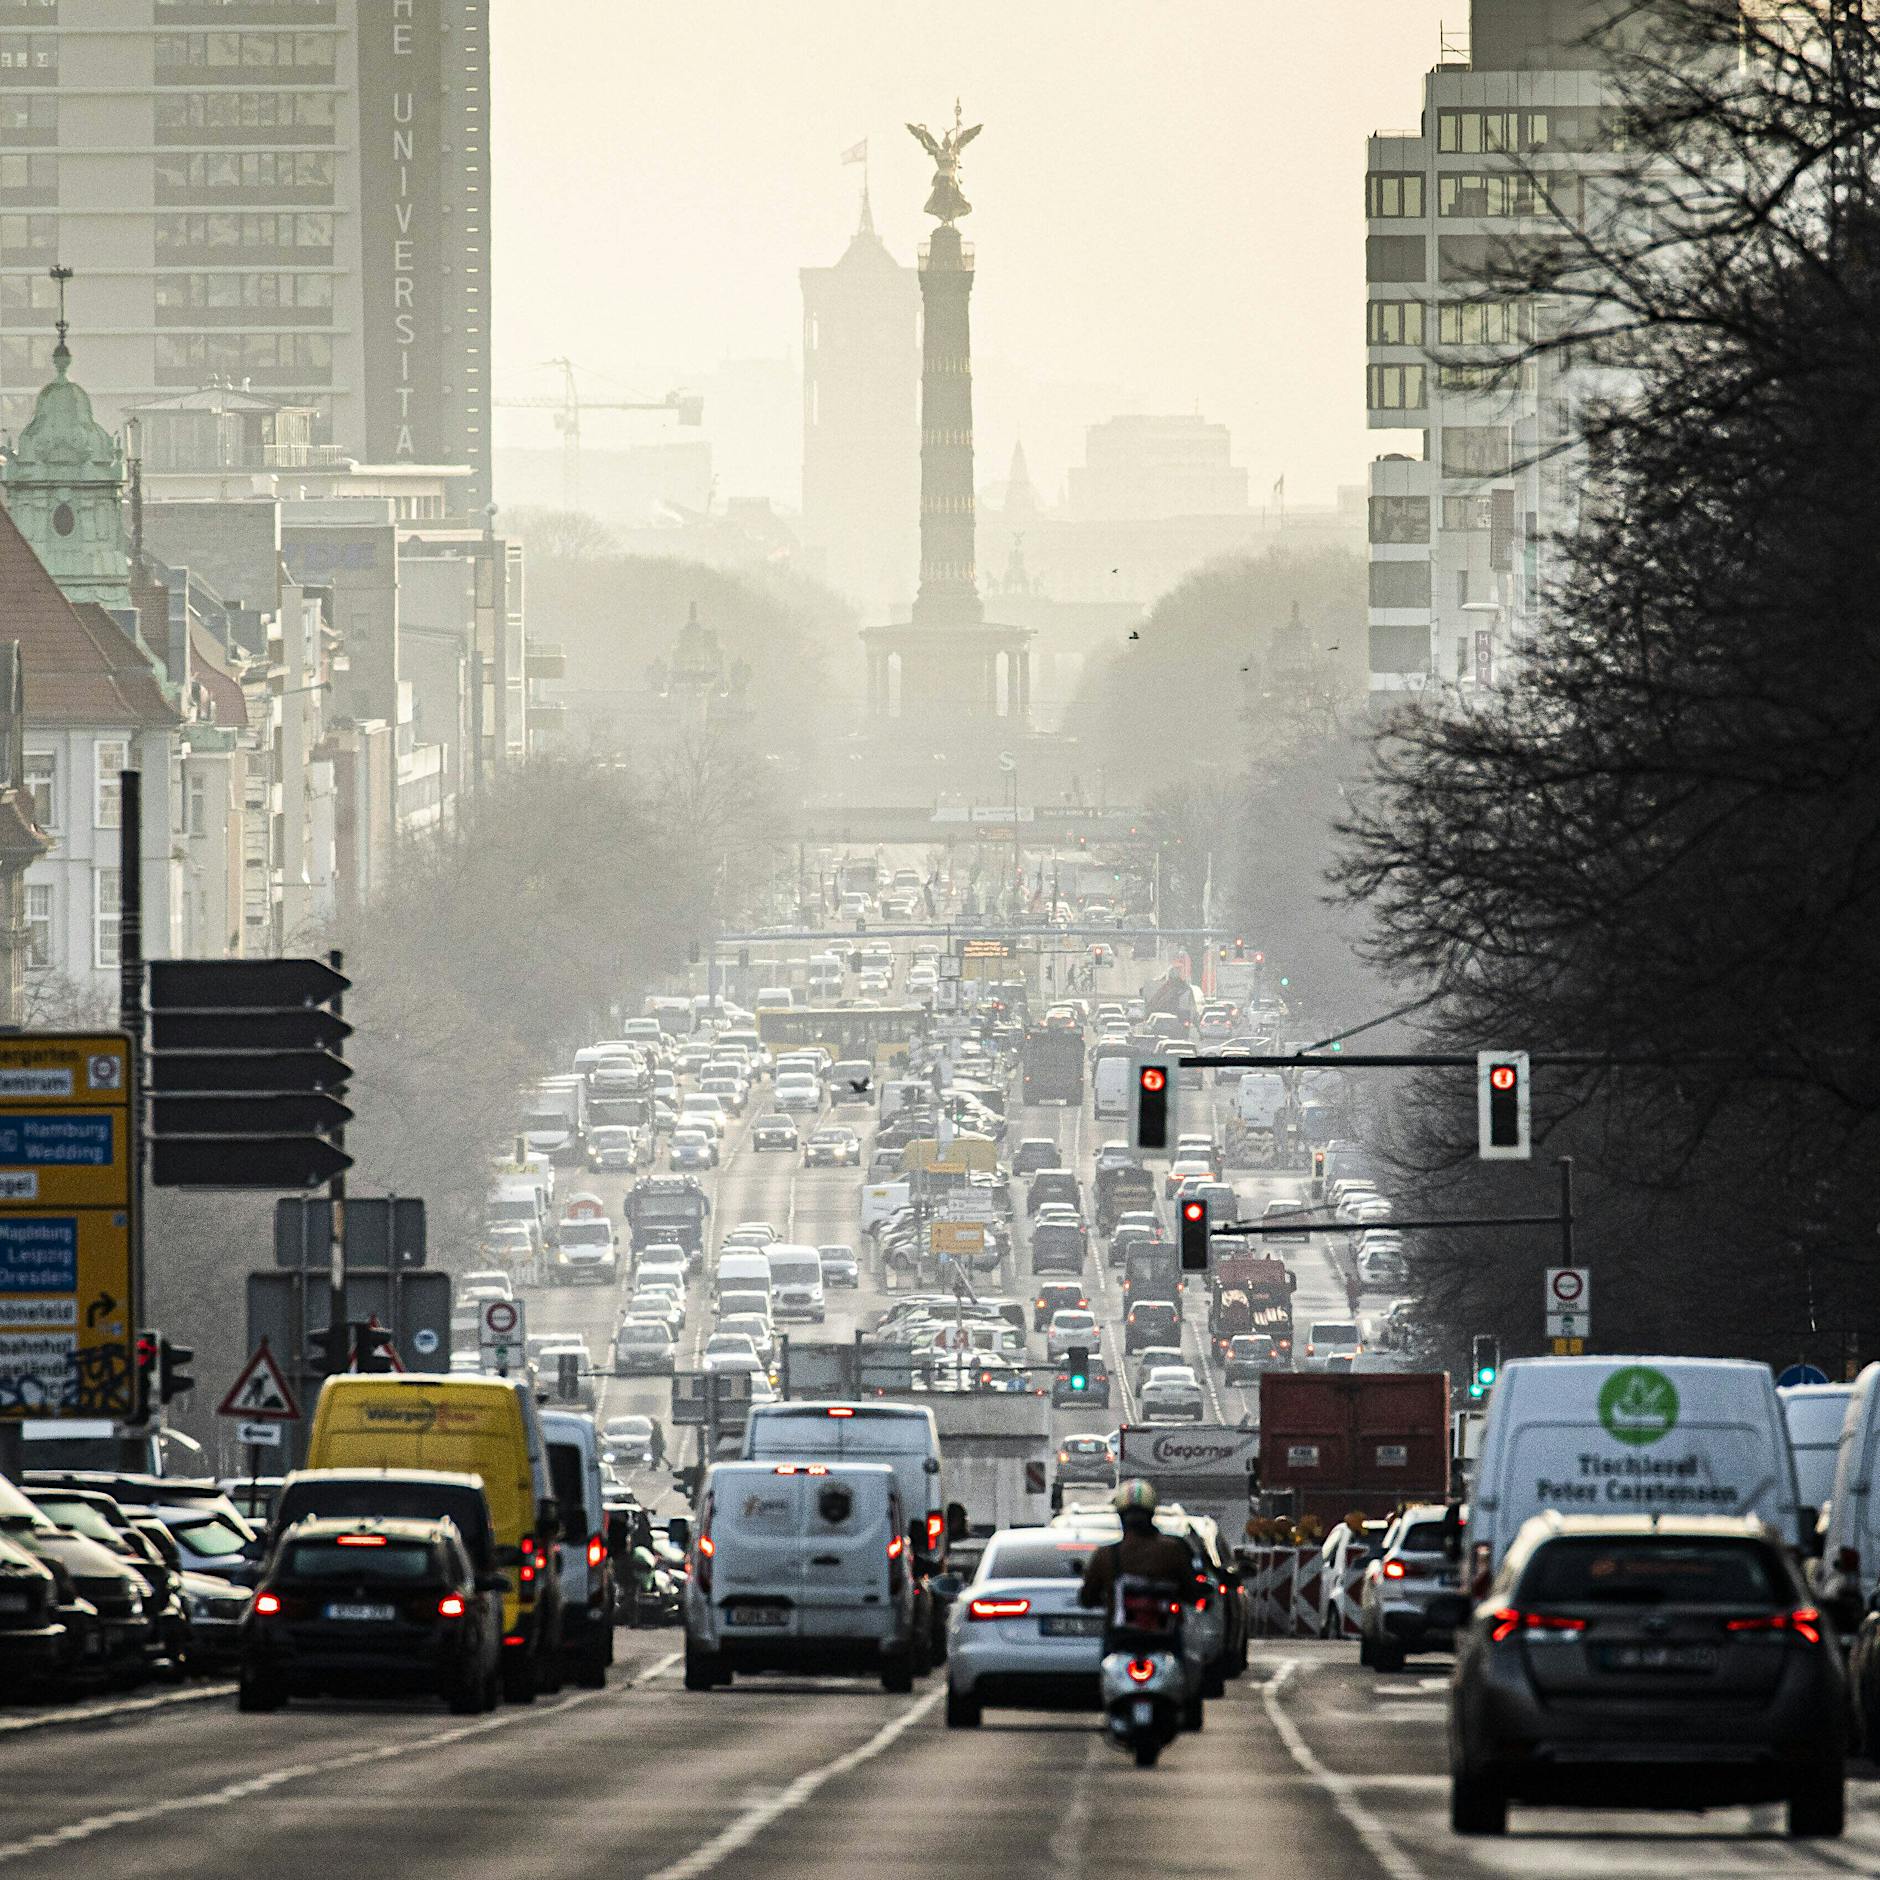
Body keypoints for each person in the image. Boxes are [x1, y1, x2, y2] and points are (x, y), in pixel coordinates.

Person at [1078, 1479, 1195, 1614]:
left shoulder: (1106, 1555)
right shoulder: (1173, 1551)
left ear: (1121, 1517)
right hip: (1164, 1634)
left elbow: (1087, 1599)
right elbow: (1191, 1594)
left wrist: (1111, 1599)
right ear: (1151, 1515)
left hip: (1120, 1635)